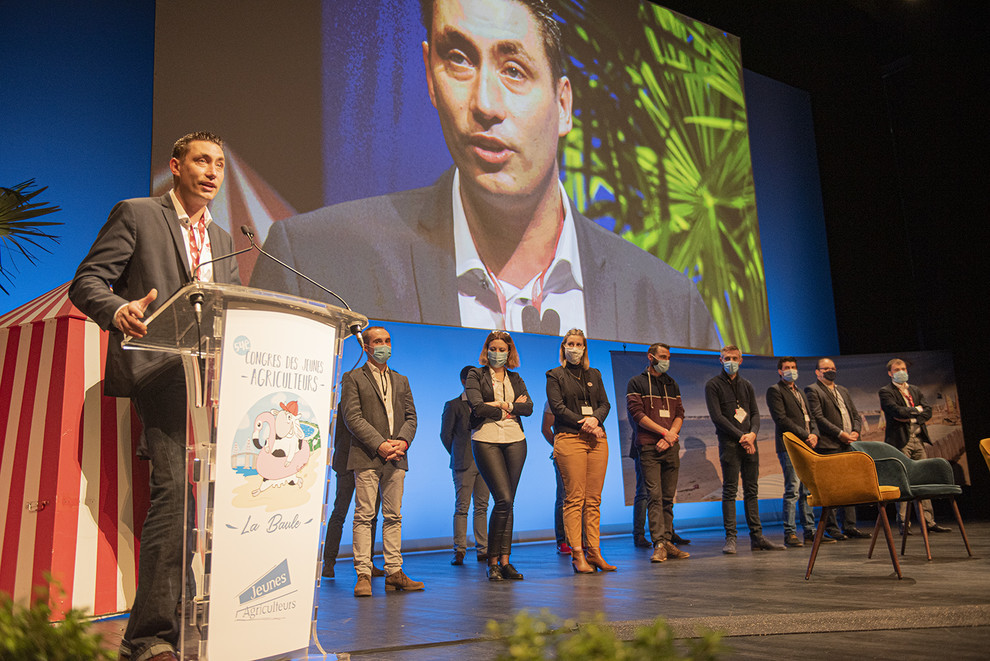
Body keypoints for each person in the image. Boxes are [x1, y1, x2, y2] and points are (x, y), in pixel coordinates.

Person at [249, 0, 718, 350]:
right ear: (431, 78)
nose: (485, 104)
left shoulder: (673, 307)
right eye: (459, 59)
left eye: (514, 70)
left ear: (564, 104)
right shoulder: (311, 266)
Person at [68, 132, 240, 661]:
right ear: (175, 166)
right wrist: (118, 310)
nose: (211, 172)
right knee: (173, 496)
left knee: (201, 507)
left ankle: (192, 620)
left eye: (218, 164)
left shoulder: (227, 238)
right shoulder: (139, 215)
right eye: (201, 161)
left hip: (214, 381)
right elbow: (87, 281)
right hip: (161, 371)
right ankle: (148, 639)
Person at [339, 326, 424, 597]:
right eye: (378, 341)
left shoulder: (402, 380)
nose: (383, 346)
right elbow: (352, 418)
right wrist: (381, 444)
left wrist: (403, 442)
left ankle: (394, 572)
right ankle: (363, 573)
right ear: (366, 347)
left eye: (387, 341)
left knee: (394, 516)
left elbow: (411, 417)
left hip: (397, 456)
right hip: (367, 456)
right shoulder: (352, 378)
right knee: (364, 516)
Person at [465, 331, 533, 580]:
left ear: (509, 352)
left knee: (508, 502)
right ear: (486, 350)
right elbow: (477, 406)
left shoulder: (515, 378)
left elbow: (529, 408)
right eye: (493, 348)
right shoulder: (476, 374)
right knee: (502, 499)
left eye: (502, 349)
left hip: (516, 440)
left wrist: (501, 405)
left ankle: (505, 561)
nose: (497, 353)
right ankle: (492, 562)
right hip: (486, 439)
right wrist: (509, 407)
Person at [704, 345, 784, 554]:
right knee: (730, 491)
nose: (730, 361)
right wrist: (742, 437)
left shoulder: (747, 385)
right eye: (726, 358)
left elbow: (755, 414)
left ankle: (757, 537)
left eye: (734, 358)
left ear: (741, 360)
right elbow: (717, 417)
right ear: (720, 360)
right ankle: (731, 538)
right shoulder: (713, 385)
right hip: (730, 444)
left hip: (751, 444)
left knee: (752, 490)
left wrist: (753, 435)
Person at [546, 329, 614, 573]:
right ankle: (577, 553)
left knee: (594, 500)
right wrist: (585, 423)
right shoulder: (555, 375)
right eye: (570, 344)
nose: (574, 348)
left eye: (579, 344)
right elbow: (558, 407)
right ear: (564, 347)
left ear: (585, 349)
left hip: (596, 438)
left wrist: (595, 420)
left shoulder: (594, 374)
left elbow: (605, 404)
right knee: (575, 499)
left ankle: (594, 552)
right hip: (570, 438)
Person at [626, 344, 691, 563]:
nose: (666, 360)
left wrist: (671, 435)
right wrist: (663, 433)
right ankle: (659, 544)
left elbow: (680, 413)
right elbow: (637, 414)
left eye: (668, 357)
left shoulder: (671, 383)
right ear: (651, 356)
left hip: (670, 446)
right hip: (648, 448)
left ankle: (669, 540)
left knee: (667, 499)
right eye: (662, 357)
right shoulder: (637, 382)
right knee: (653, 496)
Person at [878, 359, 951, 534]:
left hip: (918, 439)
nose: (901, 371)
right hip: (900, 441)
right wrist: (915, 411)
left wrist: (913, 415)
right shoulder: (886, 391)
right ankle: (904, 523)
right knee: (902, 482)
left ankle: (929, 522)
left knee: (923, 479)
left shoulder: (915, 390)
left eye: (903, 369)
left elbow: (927, 411)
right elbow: (896, 411)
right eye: (897, 369)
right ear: (890, 373)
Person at [804, 358, 870, 540]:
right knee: (832, 488)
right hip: (829, 444)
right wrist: (841, 433)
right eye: (826, 369)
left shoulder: (843, 390)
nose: (830, 371)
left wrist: (856, 431)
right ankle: (832, 528)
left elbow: (855, 415)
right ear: (817, 372)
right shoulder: (813, 390)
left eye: (832, 368)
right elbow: (818, 417)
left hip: (850, 443)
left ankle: (850, 526)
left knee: (849, 486)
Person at [765, 357, 823, 548]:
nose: (791, 370)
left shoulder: (799, 391)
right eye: (787, 368)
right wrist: (806, 434)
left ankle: (810, 531)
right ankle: (790, 533)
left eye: (793, 367)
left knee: (807, 490)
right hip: (789, 445)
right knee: (792, 490)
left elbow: (810, 416)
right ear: (780, 371)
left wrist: (814, 433)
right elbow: (781, 419)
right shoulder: (775, 391)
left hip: (807, 445)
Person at [320, 413, 384, 579]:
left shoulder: (350, 405)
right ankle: (329, 562)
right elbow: (334, 433)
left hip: (367, 462)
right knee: (341, 513)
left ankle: (367, 562)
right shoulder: (344, 406)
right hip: (348, 462)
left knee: (369, 515)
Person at [441, 365, 491, 565]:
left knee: (482, 507)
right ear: (464, 382)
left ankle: (483, 549)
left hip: (485, 462)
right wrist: (457, 453)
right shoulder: (453, 405)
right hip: (463, 462)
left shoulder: (487, 404)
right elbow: (446, 435)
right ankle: (459, 550)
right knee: (462, 507)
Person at [541, 402, 571, 554]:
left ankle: (585, 540)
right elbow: (545, 429)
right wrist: (559, 447)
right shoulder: (553, 400)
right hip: (564, 454)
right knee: (563, 497)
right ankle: (563, 540)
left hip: (585, 450)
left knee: (586, 497)